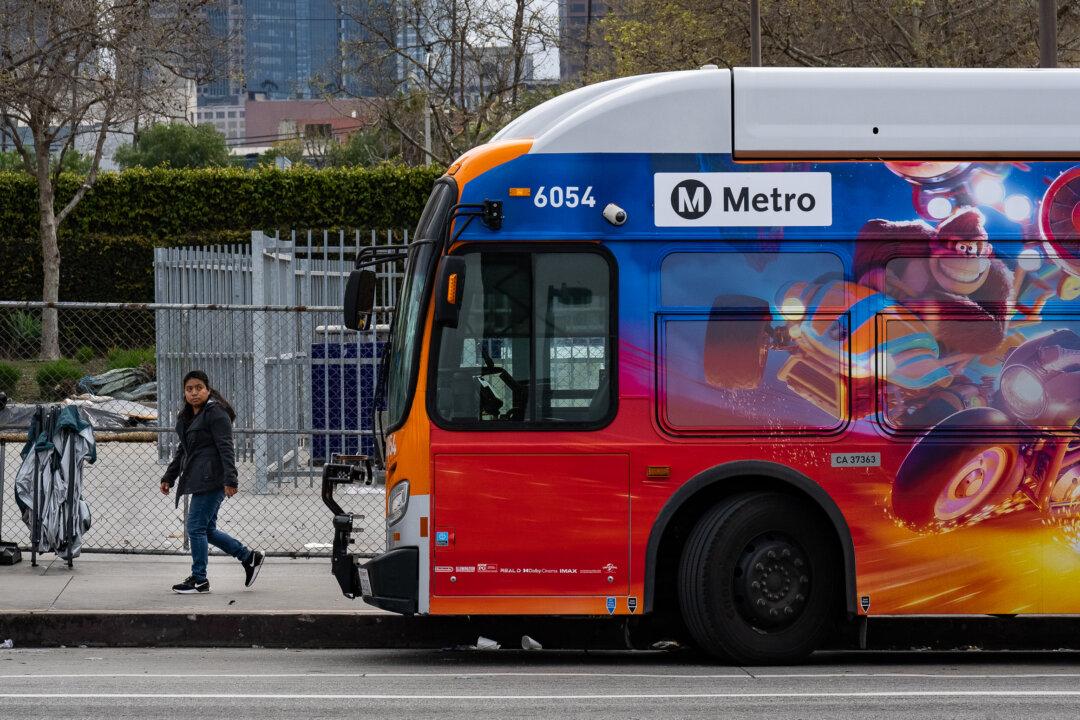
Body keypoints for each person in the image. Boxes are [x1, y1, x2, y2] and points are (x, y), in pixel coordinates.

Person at [160, 370, 264, 594]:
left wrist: (230, 479)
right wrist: (169, 476)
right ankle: (249, 557)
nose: (194, 393)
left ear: (208, 389)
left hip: (212, 479)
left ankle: (199, 579)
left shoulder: (216, 414)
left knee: (195, 527)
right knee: (206, 530)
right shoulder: (189, 416)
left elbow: (226, 448)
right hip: (199, 478)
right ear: (185, 393)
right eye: (189, 389)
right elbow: (183, 450)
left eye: (199, 388)